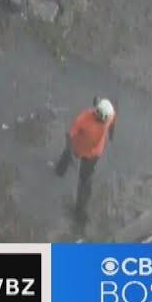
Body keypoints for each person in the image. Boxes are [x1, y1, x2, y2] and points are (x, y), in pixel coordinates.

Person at [55, 97, 117, 227]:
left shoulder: (108, 116)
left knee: (84, 182)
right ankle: (60, 169)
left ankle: (80, 211)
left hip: (92, 155)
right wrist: (71, 149)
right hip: (79, 148)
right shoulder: (84, 119)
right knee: (69, 156)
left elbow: (112, 120)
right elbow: (70, 135)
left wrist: (111, 133)